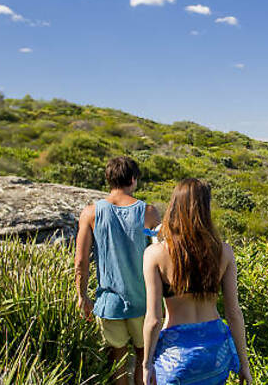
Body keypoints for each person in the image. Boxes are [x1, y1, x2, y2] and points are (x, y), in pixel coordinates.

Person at [142, 179, 252, 385]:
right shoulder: (223, 251)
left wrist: (146, 364)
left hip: (177, 355)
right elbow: (234, 313)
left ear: (174, 206)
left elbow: (154, 319)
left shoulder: (155, 254)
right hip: (216, 352)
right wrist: (244, 365)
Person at [75, 156, 161, 385]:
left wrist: (82, 295)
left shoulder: (90, 213)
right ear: (133, 179)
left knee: (117, 361)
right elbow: (161, 257)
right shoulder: (149, 213)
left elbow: (81, 261)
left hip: (109, 302)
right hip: (144, 301)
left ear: (108, 179)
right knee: (146, 361)